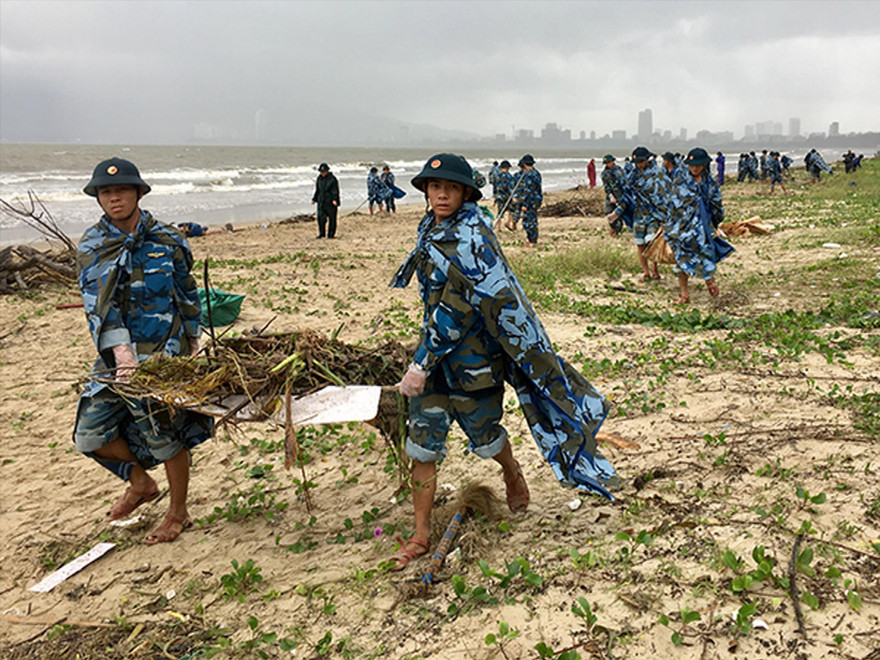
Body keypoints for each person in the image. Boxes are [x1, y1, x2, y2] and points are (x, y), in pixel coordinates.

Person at [389, 153, 619, 571]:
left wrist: (419, 364)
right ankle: (422, 533)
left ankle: (511, 470)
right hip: (435, 357)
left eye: (451, 188)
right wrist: (424, 362)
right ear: (426, 192)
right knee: (422, 446)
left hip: (473, 360)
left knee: (485, 438)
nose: (441, 194)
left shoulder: (472, 237)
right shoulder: (431, 228)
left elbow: (457, 311)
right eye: (435, 187)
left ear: (465, 193)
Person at [73, 157, 213, 544]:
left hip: (166, 354)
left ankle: (178, 512)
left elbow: (186, 294)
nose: (113, 198)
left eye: (120, 190)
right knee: (89, 434)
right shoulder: (93, 245)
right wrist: (123, 356)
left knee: (165, 435)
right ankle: (140, 483)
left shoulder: (169, 239)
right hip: (118, 357)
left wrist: (194, 343)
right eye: (105, 192)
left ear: (138, 193)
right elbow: (99, 308)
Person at [665, 148, 733, 305]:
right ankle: (684, 295)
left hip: (703, 226)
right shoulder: (680, 181)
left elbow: (717, 205)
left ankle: (710, 281)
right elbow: (673, 203)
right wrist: (670, 224)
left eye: (698, 165)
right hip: (682, 227)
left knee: (705, 254)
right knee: (681, 258)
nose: (694, 168)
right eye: (691, 165)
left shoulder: (711, 184)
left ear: (704, 165)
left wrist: (715, 223)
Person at [607, 146, 668, 282]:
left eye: (641, 161)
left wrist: (665, 215)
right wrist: (617, 211)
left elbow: (663, 194)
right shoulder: (633, 176)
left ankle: (655, 269)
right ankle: (646, 272)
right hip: (638, 214)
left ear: (647, 159)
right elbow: (627, 195)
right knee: (640, 243)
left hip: (653, 214)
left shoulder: (657, 174)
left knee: (651, 241)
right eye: (637, 162)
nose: (639, 164)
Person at [515, 154, 543, 247]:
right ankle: (533, 240)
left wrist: (525, 205)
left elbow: (528, 191)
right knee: (533, 220)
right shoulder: (536, 173)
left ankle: (531, 240)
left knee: (528, 222)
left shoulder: (529, 175)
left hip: (531, 201)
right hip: (536, 199)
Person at [311, 162, 340, 238]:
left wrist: (335, 199)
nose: (322, 173)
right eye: (321, 172)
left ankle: (331, 234)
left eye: (324, 171)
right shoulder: (319, 178)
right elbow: (317, 189)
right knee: (320, 217)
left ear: (327, 171)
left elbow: (335, 190)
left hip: (330, 201)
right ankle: (322, 233)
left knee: (332, 219)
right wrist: (314, 199)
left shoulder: (332, 179)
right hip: (321, 201)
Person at [600, 154, 626, 237]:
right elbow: (606, 185)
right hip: (610, 195)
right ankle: (613, 227)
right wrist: (610, 195)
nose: (608, 164)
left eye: (609, 162)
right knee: (608, 212)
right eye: (606, 163)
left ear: (613, 161)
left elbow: (624, 182)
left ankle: (617, 230)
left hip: (620, 195)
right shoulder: (604, 173)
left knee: (619, 213)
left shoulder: (619, 170)